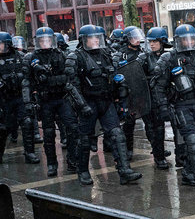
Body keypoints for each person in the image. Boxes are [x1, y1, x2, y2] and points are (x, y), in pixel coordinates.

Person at [64, 24, 142, 186]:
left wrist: (120, 89)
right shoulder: (76, 57)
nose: (95, 40)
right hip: (88, 104)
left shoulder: (106, 54)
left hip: (106, 102)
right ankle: (83, 171)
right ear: (84, 40)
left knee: (117, 135)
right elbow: (72, 86)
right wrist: (81, 106)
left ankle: (124, 170)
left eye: (97, 37)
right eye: (91, 38)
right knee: (84, 139)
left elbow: (114, 75)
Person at [151, 24, 195, 192]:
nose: (188, 41)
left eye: (191, 38)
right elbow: (158, 86)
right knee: (191, 139)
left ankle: (187, 171)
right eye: (185, 39)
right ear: (178, 40)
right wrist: (163, 107)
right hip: (180, 104)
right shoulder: (169, 58)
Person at [23, 27, 78, 177]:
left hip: (61, 98)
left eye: (48, 40)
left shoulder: (60, 54)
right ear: (38, 42)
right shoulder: (31, 58)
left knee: (73, 128)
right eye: (42, 40)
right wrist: (28, 102)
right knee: (48, 134)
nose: (45, 43)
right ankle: (52, 164)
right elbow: (26, 81)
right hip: (45, 100)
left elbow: (69, 77)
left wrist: (51, 78)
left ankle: (73, 161)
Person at [0, 32, 40, 164]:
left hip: (20, 96)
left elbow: (29, 76)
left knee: (27, 122)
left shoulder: (20, 57)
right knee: (3, 128)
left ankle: (30, 153)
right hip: (3, 100)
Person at [137, 27, 173, 170]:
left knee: (168, 128)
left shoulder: (170, 56)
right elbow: (136, 78)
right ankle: (159, 156)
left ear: (162, 42)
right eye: (150, 41)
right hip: (150, 100)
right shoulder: (144, 58)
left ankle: (169, 153)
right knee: (155, 128)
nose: (152, 44)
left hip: (167, 97)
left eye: (155, 42)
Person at [114, 26, 146, 159]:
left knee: (150, 123)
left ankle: (158, 152)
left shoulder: (143, 52)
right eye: (134, 37)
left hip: (142, 92)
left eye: (138, 36)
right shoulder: (120, 54)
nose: (137, 40)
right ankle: (128, 150)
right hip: (128, 93)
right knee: (129, 123)